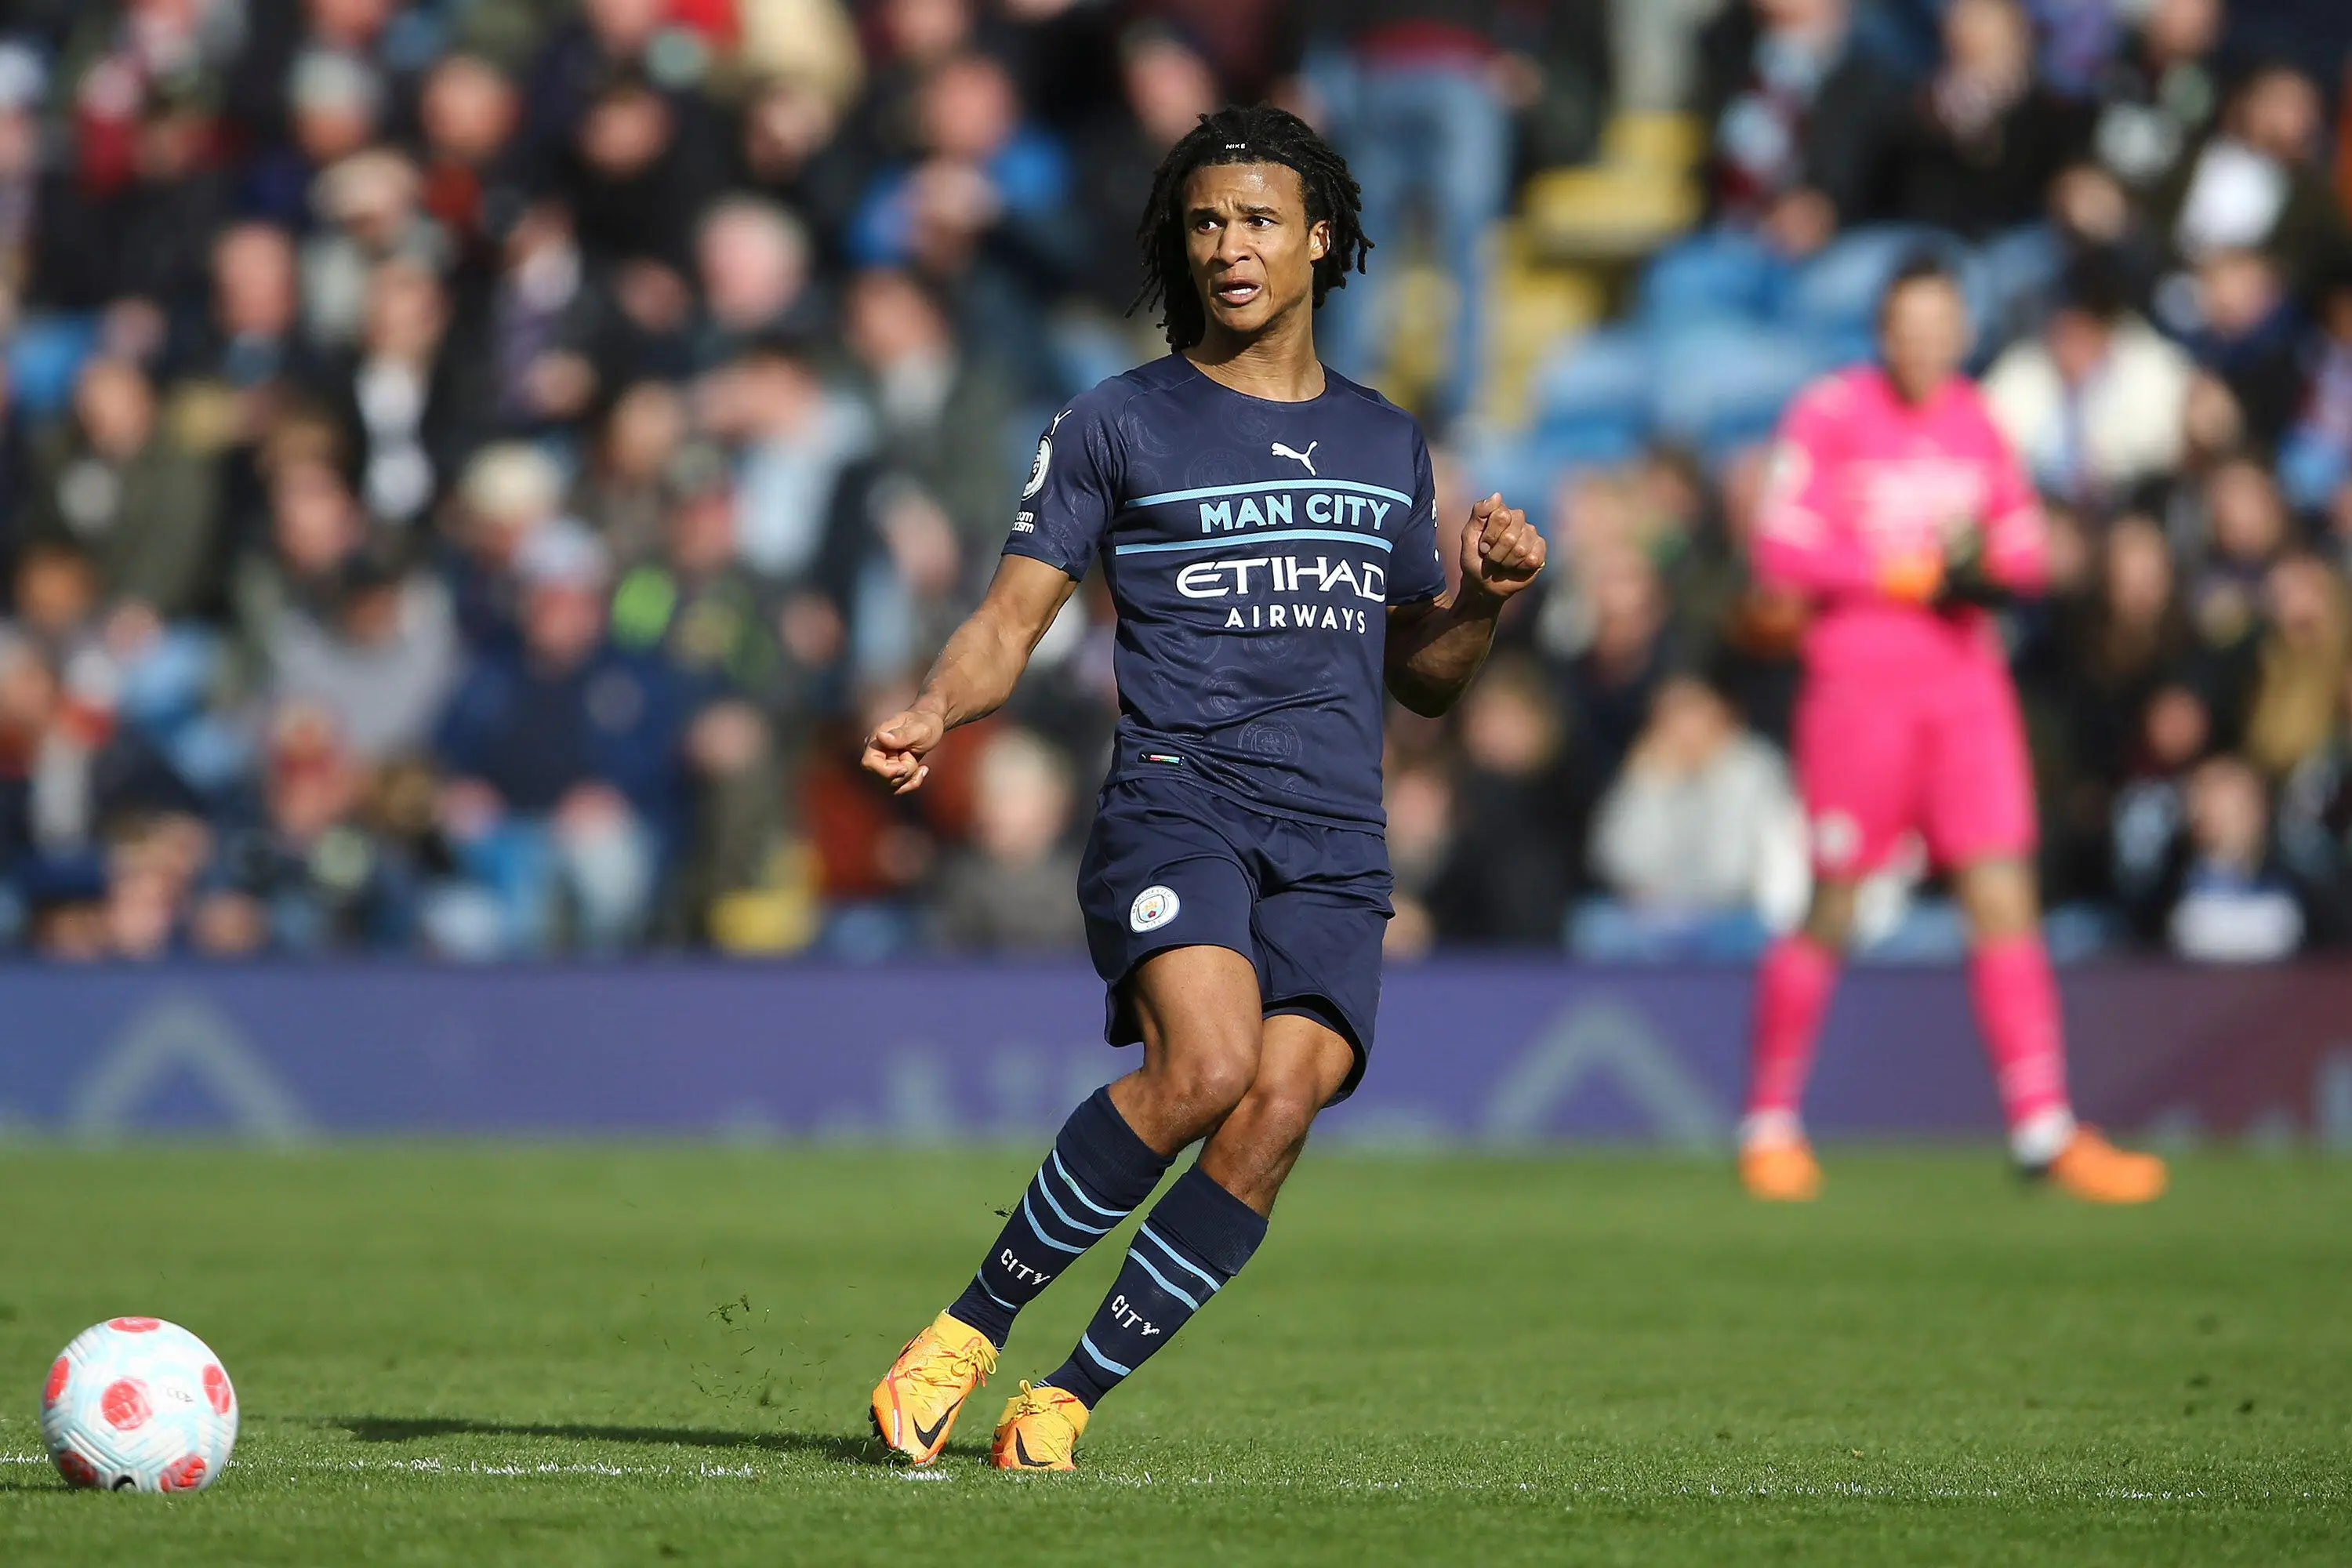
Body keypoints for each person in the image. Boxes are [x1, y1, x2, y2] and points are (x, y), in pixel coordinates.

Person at [860, 104, 1544, 1471]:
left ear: (1322, 240)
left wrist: (1483, 599)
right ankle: (966, 1329)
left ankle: (1063, 1402)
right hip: (1183, 796)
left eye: (1260, 221)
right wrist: (937, 704)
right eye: (1207, 222)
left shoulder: (1385, 441)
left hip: (1338, 829)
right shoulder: (1119, 420)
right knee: (1209, 1065)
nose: (1231, 246)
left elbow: (1424, 679)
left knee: (1277, 1109)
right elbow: (1009, 619)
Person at [1740, 256, 2167, 1204]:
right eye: (1910, 325)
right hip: (1860, 691)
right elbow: (1781, 547)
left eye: (1942, 326)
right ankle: (1769, 1123)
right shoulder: (1830, 414)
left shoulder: (1978, 419)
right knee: (1836, 898)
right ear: (1883, 332)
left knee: (2004, 892)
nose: (1926, 343)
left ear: (1963, 333)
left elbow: (2023, 548)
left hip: (1967, 691)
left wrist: (1981, 572)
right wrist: (1903, 571)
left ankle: (2042, 1126)